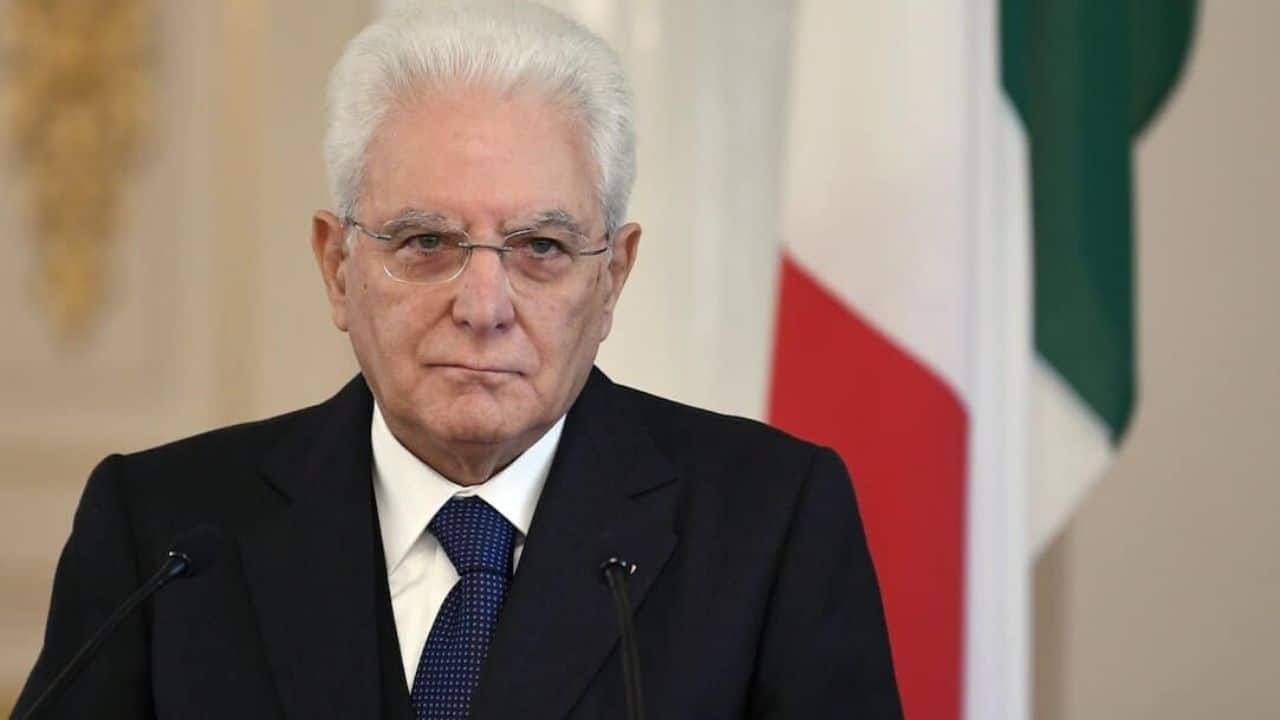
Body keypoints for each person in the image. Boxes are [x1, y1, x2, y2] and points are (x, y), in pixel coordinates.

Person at [13, 2, 901, 718]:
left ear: (612, 278)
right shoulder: (165, 536)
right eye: (427, 241)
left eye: (541, 247)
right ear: (337, 266)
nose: (483, 307)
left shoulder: (770, 525)